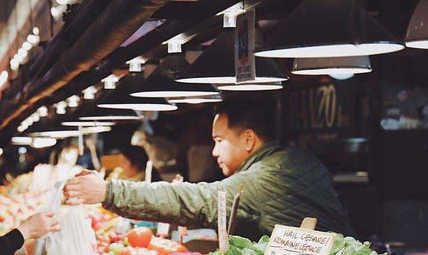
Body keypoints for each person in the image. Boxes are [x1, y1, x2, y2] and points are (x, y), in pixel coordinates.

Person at [64, 98, 353, 240]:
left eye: (219, 140)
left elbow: (193, 201)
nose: (214, 151)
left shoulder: (263, 180)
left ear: (249, 139)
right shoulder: (298, 162)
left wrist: (109, 191)